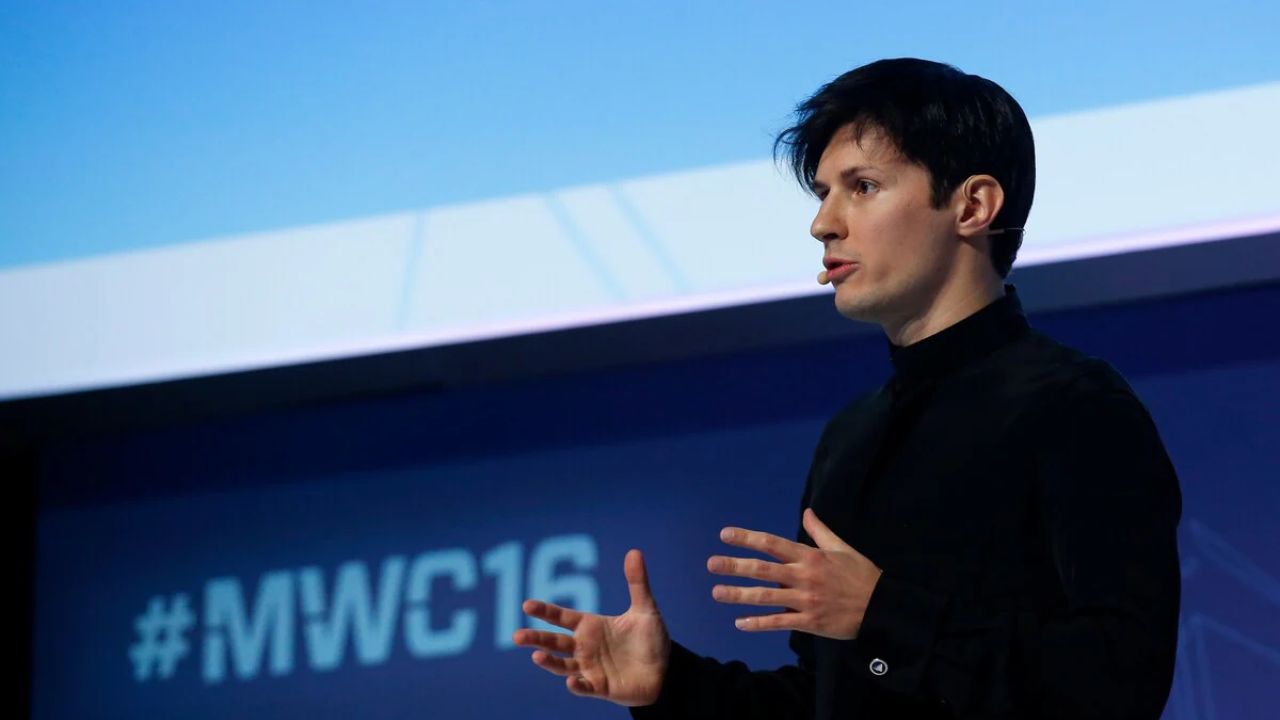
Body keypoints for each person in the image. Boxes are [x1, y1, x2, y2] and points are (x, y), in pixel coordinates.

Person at [513, 57, 1182, 719]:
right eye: (822, 193)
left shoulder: (1073, 407)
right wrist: (673, 686)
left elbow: (1119, 684)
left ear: (973, 205)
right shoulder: (850, 437)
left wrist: (881, 613)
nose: (823, 224)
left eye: (862, 187)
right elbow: (829, 700)